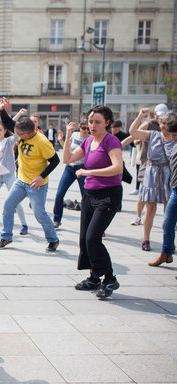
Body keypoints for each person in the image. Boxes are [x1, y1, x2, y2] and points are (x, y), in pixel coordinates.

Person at [64, 105, 123, 298]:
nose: (92, 125)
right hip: (89, 196)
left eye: (97, 122)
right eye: (90, 122)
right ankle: (94, 277)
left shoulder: (110, 141)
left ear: (107, 123)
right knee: (84, 239)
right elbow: (68, 159)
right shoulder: (88, 142)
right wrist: (67, 136)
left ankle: (109, 278)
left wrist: (88, 172)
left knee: (93, 238)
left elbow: (117, 168)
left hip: (108, 195)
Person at [0, 97, 60, 252]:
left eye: (20, 135)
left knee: (39, 213)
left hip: (37, 183)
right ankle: (6, 237)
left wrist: (41, 176)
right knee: (8, 205)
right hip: (21, 180)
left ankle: (53, 239)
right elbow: (8, 123)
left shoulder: (42, 142)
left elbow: (56, 161)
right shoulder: (21, 130)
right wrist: (2, 109)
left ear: (30, 133)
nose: (17, 136)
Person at [129, 108, 177, 252]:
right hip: (152, 172)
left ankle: (168, 241)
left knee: (169, 211)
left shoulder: (175, 138)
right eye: (162, 122)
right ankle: (146, 239)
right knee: (150, 208)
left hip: (168, 174)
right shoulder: (153, 135)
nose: (164, 126)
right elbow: (133, 132)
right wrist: (140, 116)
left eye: (167, 123)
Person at [0, 122, 28, 234]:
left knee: (16, 201)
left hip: (9, 175)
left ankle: (24, 224)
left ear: (5, 131)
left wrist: (17, 115)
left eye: (0, 130)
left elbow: (16, 135)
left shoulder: (8, 142)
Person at [148, 113, 177, 266]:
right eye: (172, 135)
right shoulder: (173, 145)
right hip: (175, 190)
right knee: (167, 222)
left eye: (175, 135)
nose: (173, 138)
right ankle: (166, 253)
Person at [53, 118, 89, 228]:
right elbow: (67, 149)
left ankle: (91, 223)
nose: (86, 130)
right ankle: (57, 219)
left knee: (86, 198)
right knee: (59, 194)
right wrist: (61, 140)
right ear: (79, 127)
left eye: (88, 128)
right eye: (83, 128)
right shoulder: (74, 135)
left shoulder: (91, 139)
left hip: (82, 169)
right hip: (70, 168)